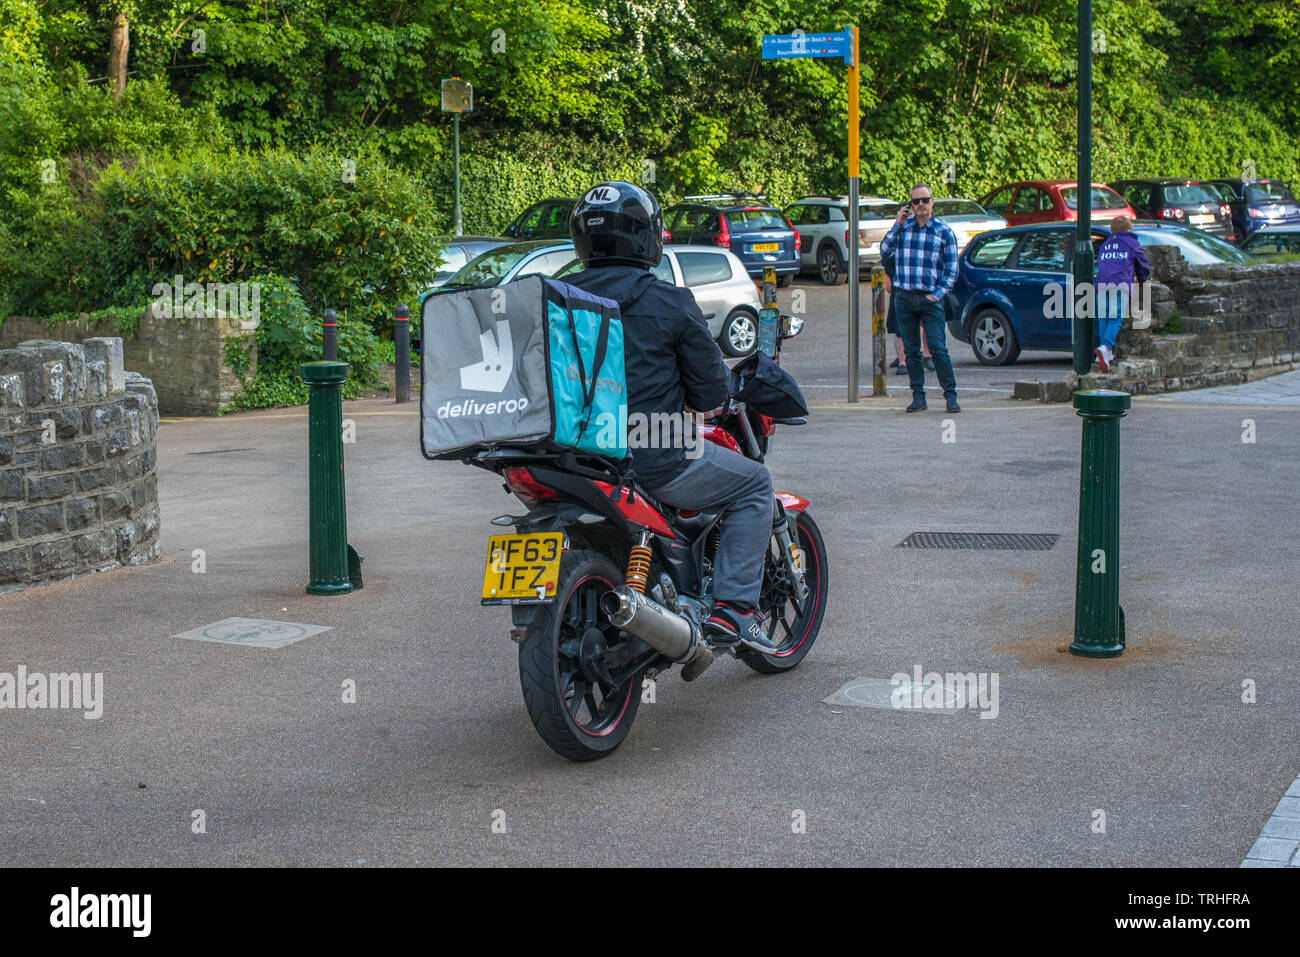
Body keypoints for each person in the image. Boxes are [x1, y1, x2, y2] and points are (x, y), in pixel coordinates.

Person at [562, 181, 778, 653]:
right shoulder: (669, 301)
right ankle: (735, 610)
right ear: (646, 237)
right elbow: (712, 393)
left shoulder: (553, 299)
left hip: (567, 457)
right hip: (651, 456)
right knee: (755, 484)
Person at [879, 183, 961, 413]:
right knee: (911, 350)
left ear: (932, 202)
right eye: (916, 201)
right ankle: (918, 397)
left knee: (937, 348)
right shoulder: (903, 229)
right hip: (904, 298)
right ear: (910, 205)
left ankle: (951, 396)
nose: (921, 204)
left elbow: (951, 270)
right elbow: (884, 251)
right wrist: (897, 223)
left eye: (925, 200)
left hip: (930, 299)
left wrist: (936, 296)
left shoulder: (944, 232)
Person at [1093, 216, 1150, 373]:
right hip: (1119, 283)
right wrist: (1143, 278)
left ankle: (1105, 355)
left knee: (1103, 317)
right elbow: (1142, 264)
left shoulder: (1105, 244)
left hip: (1101, 283)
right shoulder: (1131, 243)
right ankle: (1106, 347)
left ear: (1112, 231)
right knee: (1115, 318)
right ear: (1129, 230)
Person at [880, 251, 933, 375]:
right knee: (923, 324)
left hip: (901, 293)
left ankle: (903, 362)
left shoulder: (893, 255)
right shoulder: (920, 252)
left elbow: (888, 287)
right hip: (920, 291)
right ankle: (925, 355)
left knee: (900, 329)